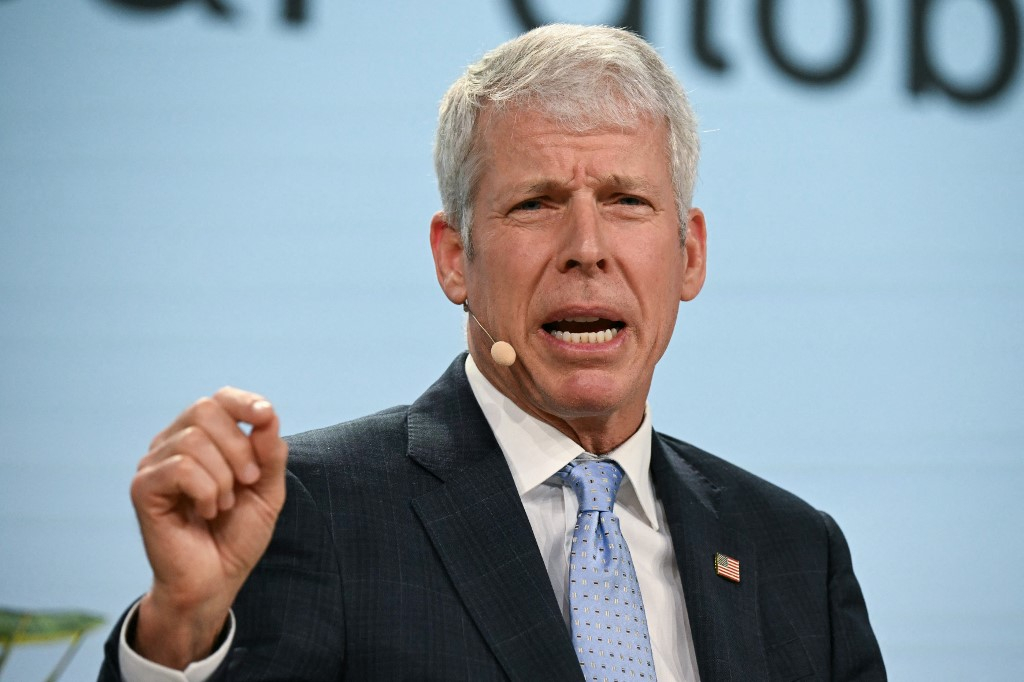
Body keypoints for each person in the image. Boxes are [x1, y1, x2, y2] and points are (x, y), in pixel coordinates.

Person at [99, 24, 885, 682]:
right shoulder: (317, 509)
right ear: (455, 259)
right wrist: (178, 637)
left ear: (690, 254)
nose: (586, 248)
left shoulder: (793, 552)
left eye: (626, 201)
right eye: (535, 204)